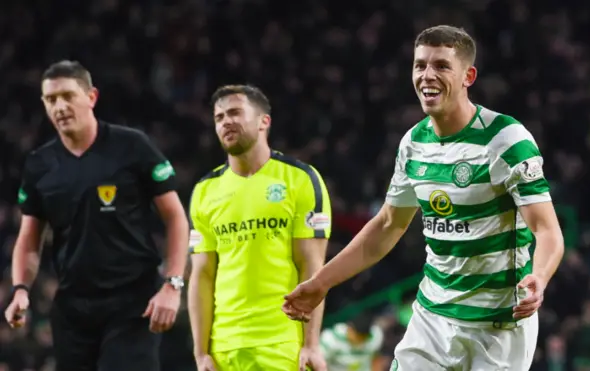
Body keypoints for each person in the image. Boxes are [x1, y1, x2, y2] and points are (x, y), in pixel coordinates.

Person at [283, 25, 565, 371]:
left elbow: (548, 230)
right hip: (432, 317)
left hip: (499, 325)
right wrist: (322, 282)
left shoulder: (506, 139)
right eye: (420, 65)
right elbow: (388, 224)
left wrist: (540, 276)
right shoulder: (413, 143)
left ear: (468, 75)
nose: (427, 75)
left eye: (442, 66)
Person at [3, 60, 190, 371]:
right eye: (51, 100)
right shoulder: (40, 164)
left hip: (133, 303)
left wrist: (173, 284)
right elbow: (29, 239)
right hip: (73, 310)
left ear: (91, 97)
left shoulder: (132, 146)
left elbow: (176, 218)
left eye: (67, 96)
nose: (59, 107)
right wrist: (21, 289)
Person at [187, 84, 331, 371]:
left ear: (264, 121)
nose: (226, 121)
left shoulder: (300, 179)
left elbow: (312, 266)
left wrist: (310, 344)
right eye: (219, 117)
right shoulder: (205, 190)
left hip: (281, 344)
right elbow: (202, 275)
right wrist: (201, 353)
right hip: (224, 349)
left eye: (235, 113)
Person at [320, 313, 384, 371]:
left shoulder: (375, 336)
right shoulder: (330, 339)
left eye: (363, 338)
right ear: (350, 329)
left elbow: (376, 359)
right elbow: (320, 363)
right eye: (358, 337)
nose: (360, 341)